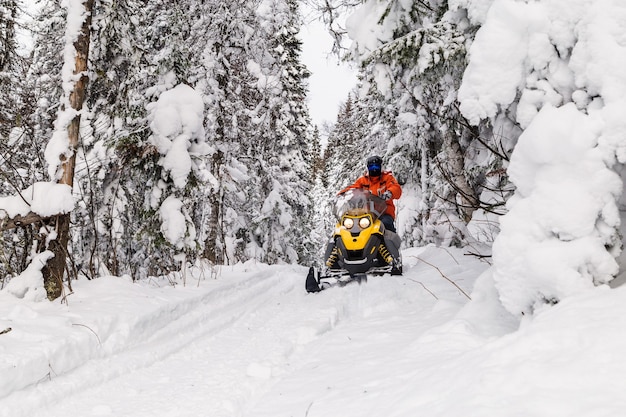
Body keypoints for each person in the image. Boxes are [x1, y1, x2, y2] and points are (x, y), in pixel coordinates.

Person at [338, 155, 402, 233]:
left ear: (381, 167)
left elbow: (396, 187)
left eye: (376, 167)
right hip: (365, 213)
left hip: (384, 212)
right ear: (368, 168)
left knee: (386, 224)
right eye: (371, 167)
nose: (374, 169)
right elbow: (353, 187)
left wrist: (390, 193)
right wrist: (344, 194)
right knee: (349, 226)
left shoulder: (387, 178)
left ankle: (390, 244)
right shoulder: (363, 181)